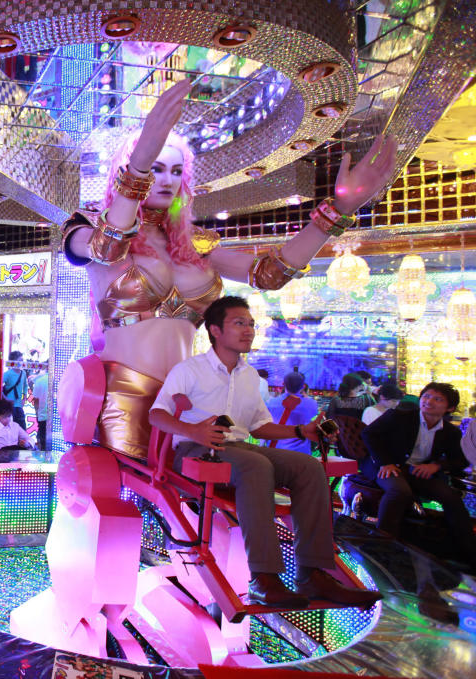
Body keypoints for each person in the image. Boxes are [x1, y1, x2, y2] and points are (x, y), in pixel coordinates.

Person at [61, 79, 397, 462]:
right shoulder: (86, 226)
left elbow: (271, 274)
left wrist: (335, 212)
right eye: (155, 167)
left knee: (201, 505)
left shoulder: (195, 245)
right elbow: (108, 246)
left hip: (192, 400)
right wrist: (137, 166)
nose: (166, 179)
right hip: (126, 393)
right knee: (132, 499)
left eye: (175, 170)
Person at [149, 297, 381, 609]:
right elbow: (157, 415)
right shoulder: (189, 370)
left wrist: (301, 432)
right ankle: (263, 578)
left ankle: (313, 575)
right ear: (215, 330)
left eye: (251, 324)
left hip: (240, 448)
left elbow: (259, 426)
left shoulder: (251, 377)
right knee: (255, 465)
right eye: (239, 323)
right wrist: (193, 430)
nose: (249, 330)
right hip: (196, 449)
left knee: (308, 467)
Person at [362, 383, 476, 568]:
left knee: (450, 496)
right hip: (383, 465)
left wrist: (436, 465)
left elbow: (461, 459)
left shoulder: (450, 431)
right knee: (399, 491)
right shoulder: (399, 416)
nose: (429, 401)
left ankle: (467, 553)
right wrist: (385, 461)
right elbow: (368, 434)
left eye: (437, 399)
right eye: (426, 396)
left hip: (415, 470)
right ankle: (381, 547)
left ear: (450, 408)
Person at [264, 371, 318, 454]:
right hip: (301, 453)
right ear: (303, 386)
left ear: (283, 384)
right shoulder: (312, 404)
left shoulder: (271, 403)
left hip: (276, 450)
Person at [1, 350, 28, 430]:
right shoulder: (8, 373)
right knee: (10, 429)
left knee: (22, 429)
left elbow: (25, 386)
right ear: (13, 361)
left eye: (22, 360)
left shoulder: (23, 373)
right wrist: (5, 398)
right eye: (20, 360)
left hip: (19, 406)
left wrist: (24, 398)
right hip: (9, 406)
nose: (22, 362)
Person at [31, 370, 49, 450]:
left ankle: (44, 457)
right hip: (57, 416)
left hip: (43, 415)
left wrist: (37, 413)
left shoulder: (39, 381)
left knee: (43, 439)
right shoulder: (59, 378)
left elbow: (36, 400)